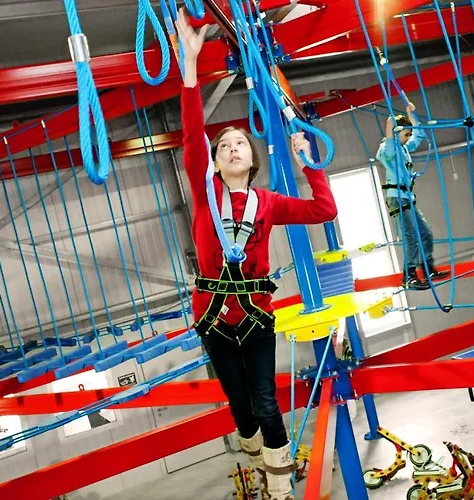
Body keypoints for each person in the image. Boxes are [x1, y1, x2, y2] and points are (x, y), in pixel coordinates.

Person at [176, 11, 338, 500]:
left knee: (267, 404)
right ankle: (254, 460)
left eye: (239, 143)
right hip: (212, 317)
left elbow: (323, 210)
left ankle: (281, 490)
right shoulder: (205, 195)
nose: (231, 148)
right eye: (223, 145)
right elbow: (191, 134)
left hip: (255, 317)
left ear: (252, 158)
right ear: (214, 161)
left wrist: (308, 163)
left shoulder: (267, 203)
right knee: (240, 407)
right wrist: (189, 63)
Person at [375, 103, 449, 290]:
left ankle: (428, 268)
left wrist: (411, 115)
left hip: (407, 198)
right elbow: (390, 147)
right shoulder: (387, 149)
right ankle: (409, 276)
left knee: (425, 232)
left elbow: (419, 135)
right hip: (397, 198)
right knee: (411, 236)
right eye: (405, 134)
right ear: (395, 133)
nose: (408, 138)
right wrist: (390, 126)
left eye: (408, 135)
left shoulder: (404, 148)